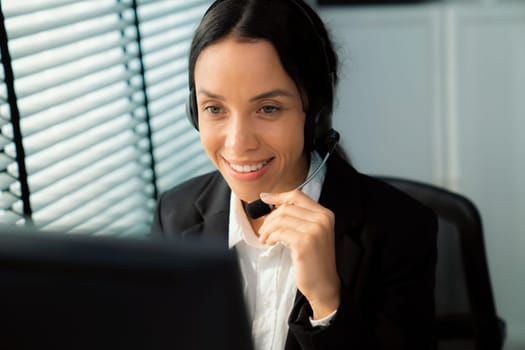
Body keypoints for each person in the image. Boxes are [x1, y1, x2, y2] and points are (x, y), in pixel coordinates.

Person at [151, 0, 438, 349]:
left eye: (268, 108)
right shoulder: (174, 216)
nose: (238, 143)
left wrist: (326, 302)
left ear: (316, 114)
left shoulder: (401, 229)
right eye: (214, 108)